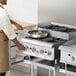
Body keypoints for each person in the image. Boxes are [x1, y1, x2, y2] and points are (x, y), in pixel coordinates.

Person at [0, 0, 26, 76]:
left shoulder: (1, 10)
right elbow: (10, 32)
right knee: (1, 68)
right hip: (1, 41)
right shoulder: (2, 13)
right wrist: (19, 45)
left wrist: (16, 24)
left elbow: (5, 19)